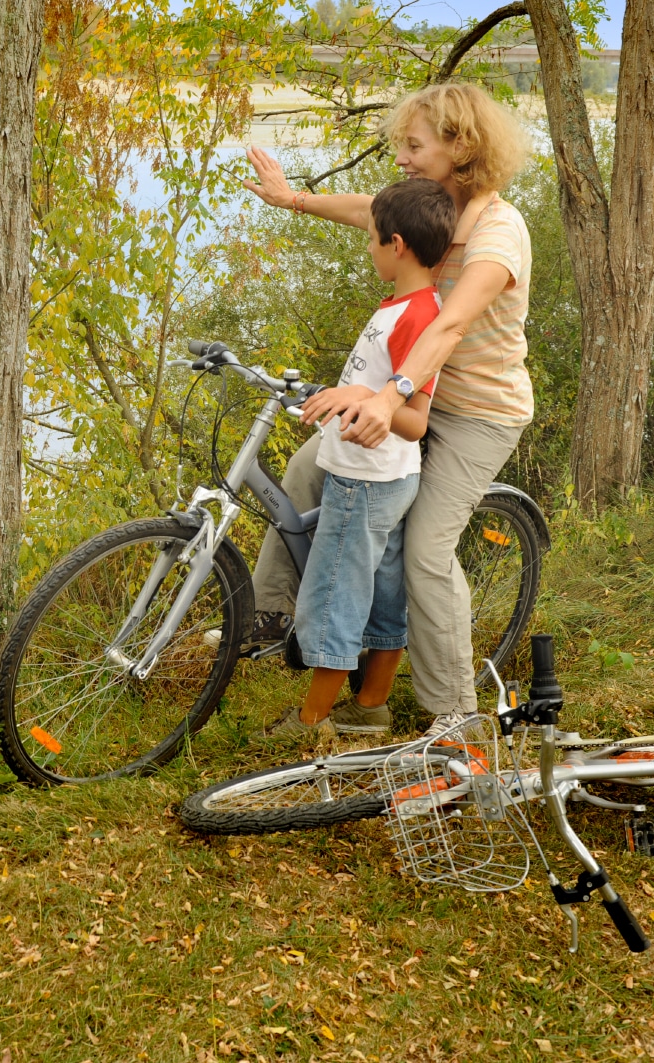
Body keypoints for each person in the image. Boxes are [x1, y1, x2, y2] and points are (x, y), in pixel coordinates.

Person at [243, 82, 534, 736]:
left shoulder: (497, 230)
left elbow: (451, 324)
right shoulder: (429, 207)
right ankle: (276, 620)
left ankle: (456, 713)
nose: (402, 156)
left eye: (414, 144)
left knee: (424, 551)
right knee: (308, 467)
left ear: (460, 146)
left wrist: (391, 392)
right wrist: (292, 199)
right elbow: (369, 210)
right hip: (404, 402)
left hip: (474, 415)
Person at [266, 178, 452, 739]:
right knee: (385, 589)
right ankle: (371, 705)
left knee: (333, 595)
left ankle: (311, 720)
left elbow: (415, 420)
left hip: (366, 481)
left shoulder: (417, 317)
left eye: (370, 238)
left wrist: (358, 397)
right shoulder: (406, 304)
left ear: (396, 245)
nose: (366, 247)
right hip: (385, 479)